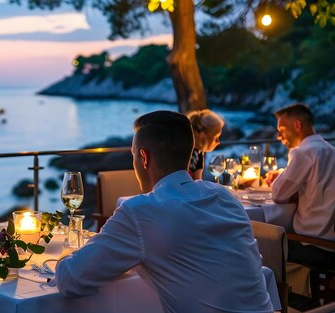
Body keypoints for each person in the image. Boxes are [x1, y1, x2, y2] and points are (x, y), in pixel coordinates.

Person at [55, 110, 272, 312]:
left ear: (144, 157)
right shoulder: (225, 197)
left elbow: (71, 279)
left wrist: (65, 255)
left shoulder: (140, 212)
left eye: (133, 156)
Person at [264, 103, 335, 271]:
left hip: (315, 245)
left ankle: (277, 295)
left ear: (297, 125)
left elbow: (278, 194)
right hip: (331, 242)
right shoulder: (331, 150)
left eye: (281, 129)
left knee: (264, 243)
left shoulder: (303, 152)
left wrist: (280, 177)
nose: (279, 137)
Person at [186, 109, 225, 179]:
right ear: (203, 135)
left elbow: (198, 180)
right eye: (216, 137)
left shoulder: (199, 152)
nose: (218, 142)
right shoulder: (186, 152)